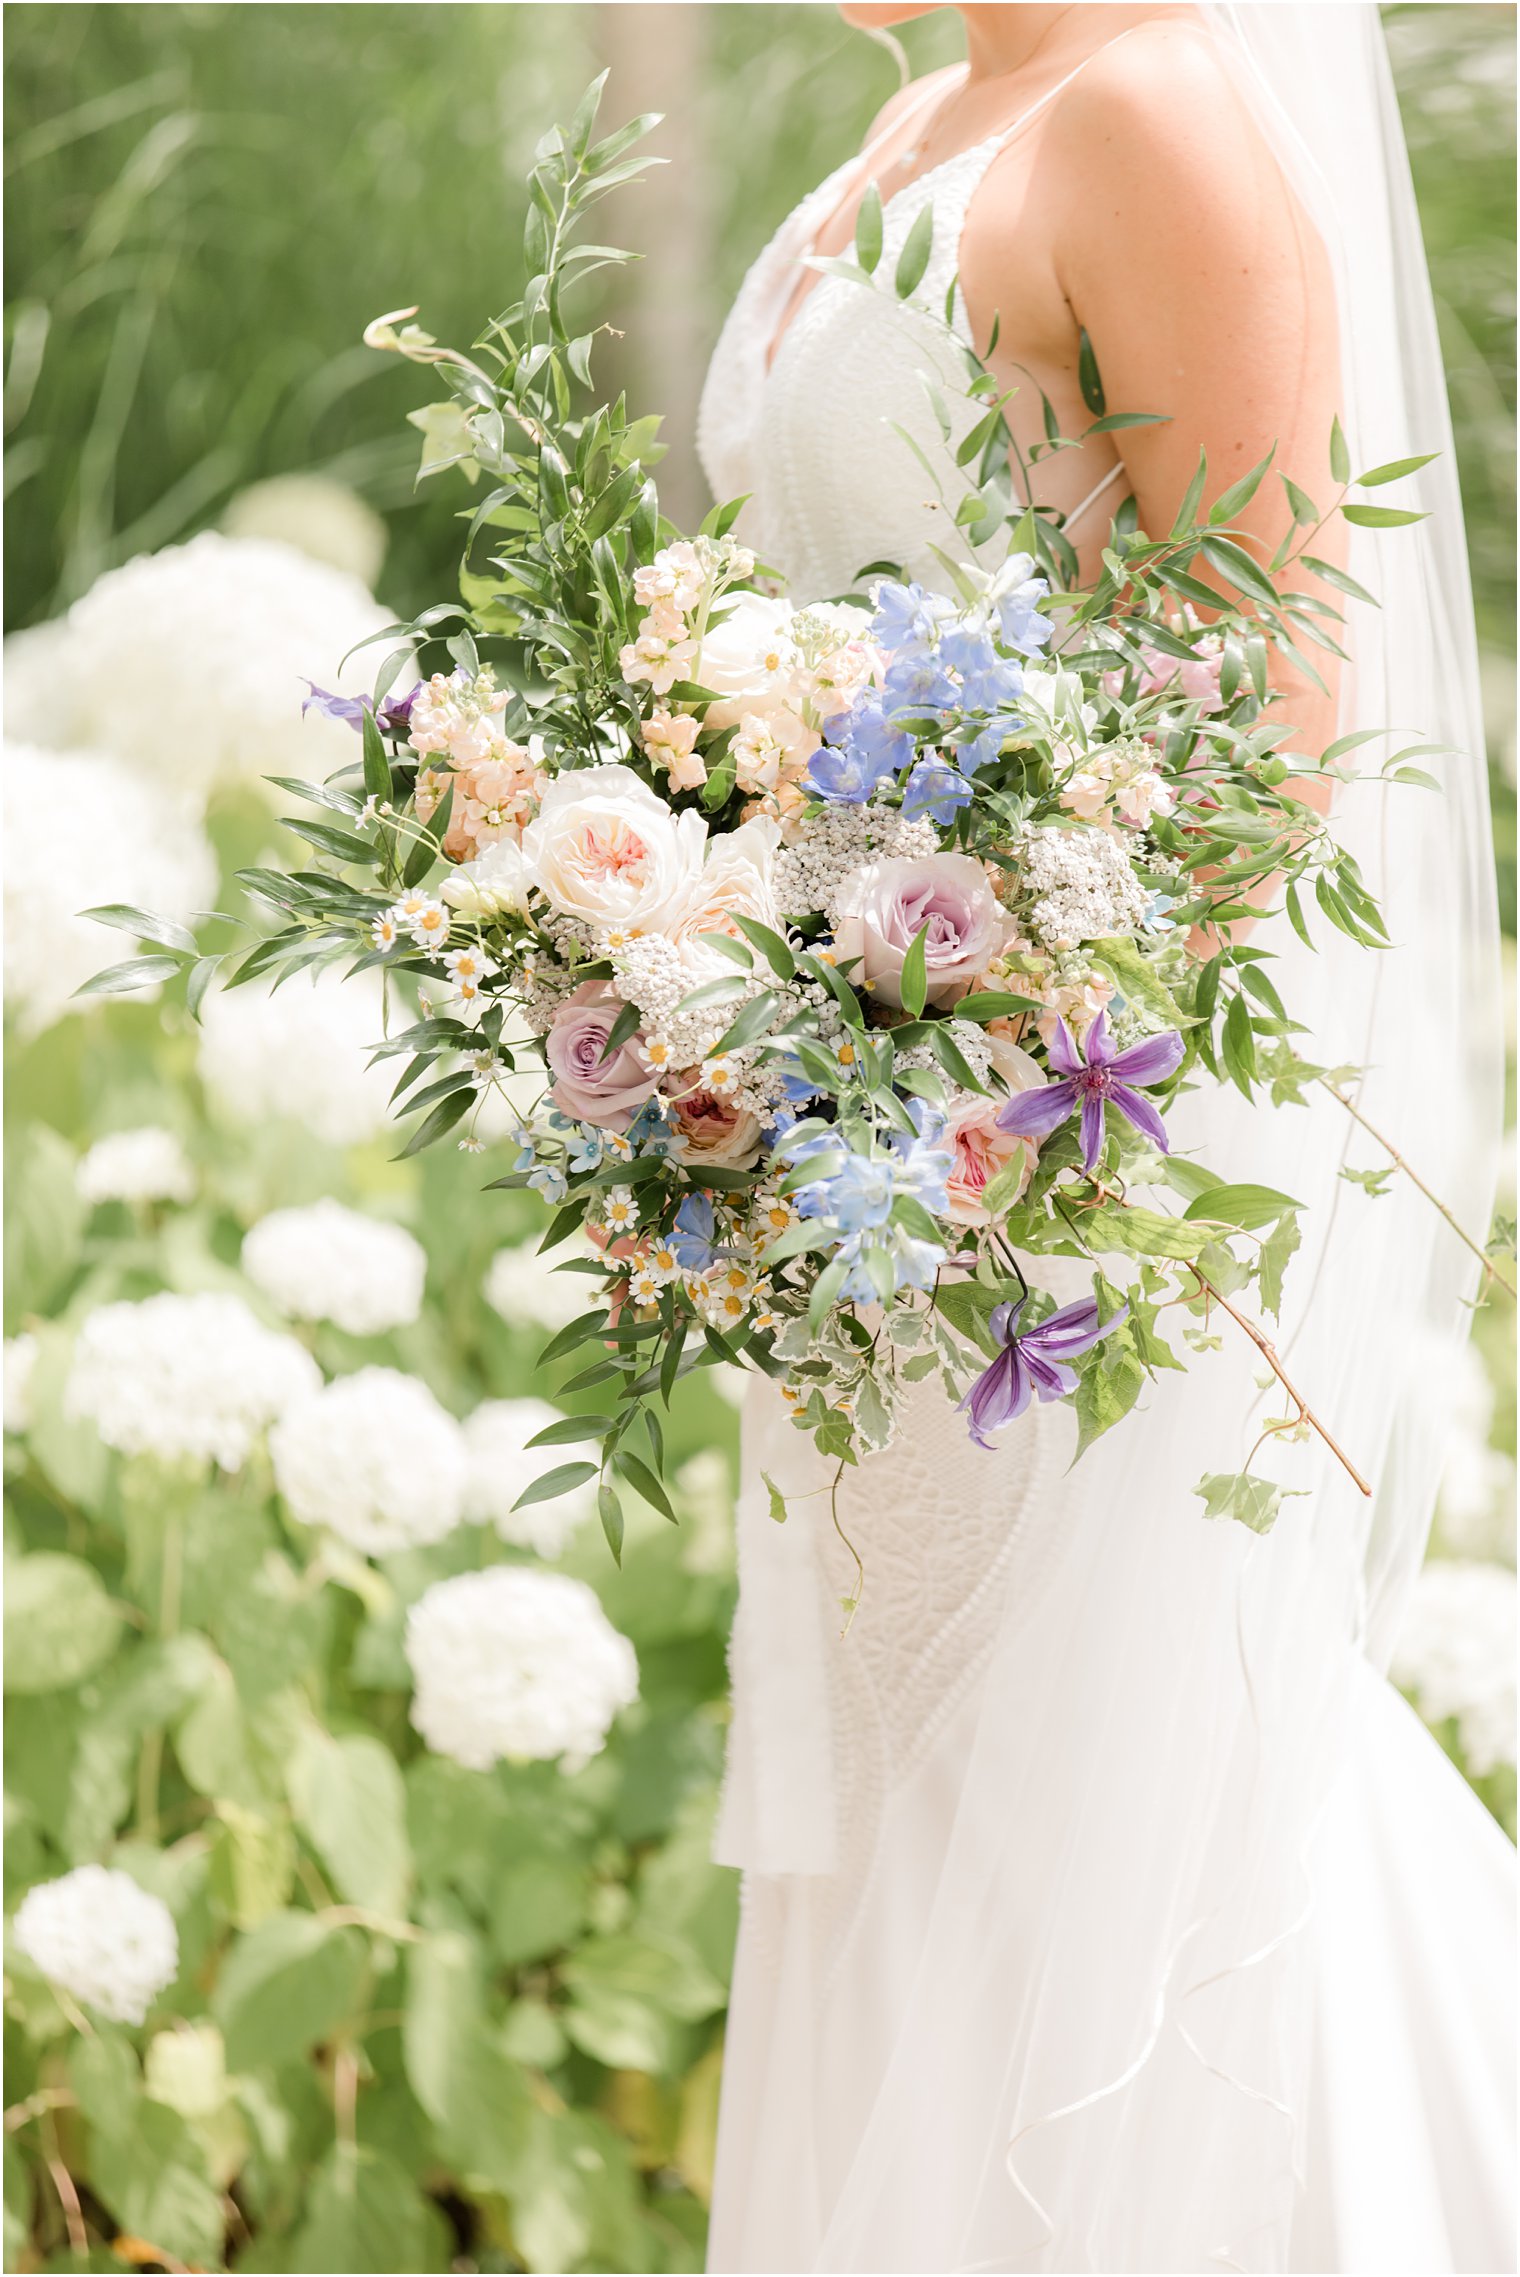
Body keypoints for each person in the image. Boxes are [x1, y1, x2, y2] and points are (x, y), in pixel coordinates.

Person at [695, 6, 1513, 2271]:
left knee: (1116, 1815)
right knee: (922, 1819)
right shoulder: (925, 110)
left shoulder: (1157, 114)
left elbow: (1266, 720)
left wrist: (983, 1092)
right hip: (840, 1174)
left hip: (1044, 1189)